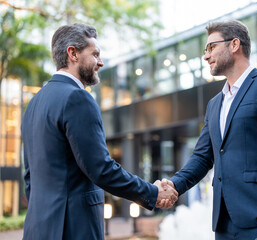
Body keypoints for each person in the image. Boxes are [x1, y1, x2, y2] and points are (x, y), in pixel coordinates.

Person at [21, 23, 177, 240]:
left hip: (38, 229)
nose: (100, 62)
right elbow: (101, 169)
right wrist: (152, 193)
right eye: (95, 54)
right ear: (72, 53)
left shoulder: (34, 104)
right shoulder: (78, 98)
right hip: (74, 229)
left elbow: (29, 177)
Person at [159, 20, 257, 240]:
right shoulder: (214, 104)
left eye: (211, 47)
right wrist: (174, 185)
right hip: (224, 223)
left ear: (234, 44)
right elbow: (202, 157)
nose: (206, 56)